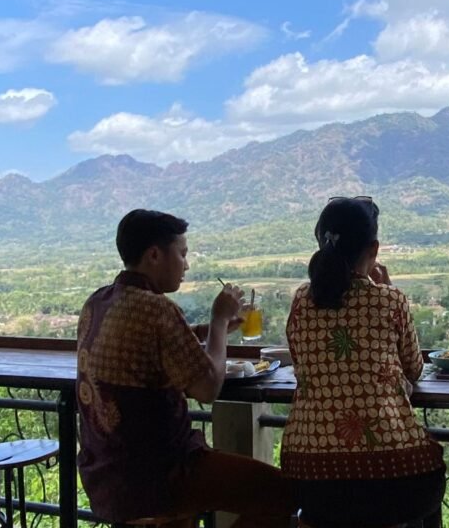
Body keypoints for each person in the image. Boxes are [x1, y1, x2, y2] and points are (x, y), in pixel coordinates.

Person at [76, 209, 296, 528]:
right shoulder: (157, 308)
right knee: (285, 494)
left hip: (106, 472)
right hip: (163, 472)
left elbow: (150, 343)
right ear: (154, 255)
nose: (186, 265)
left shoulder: (98, 301)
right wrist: (219, 320)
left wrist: (206, 331)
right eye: (182, 254)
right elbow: (208, 389)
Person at [281, 197, 446, 528]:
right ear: (374, 248)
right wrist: (384, 292)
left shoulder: (301, 300)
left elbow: (301, 364)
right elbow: (414, 369)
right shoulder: (390, 299)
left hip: (312, 480)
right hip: (395, 480)